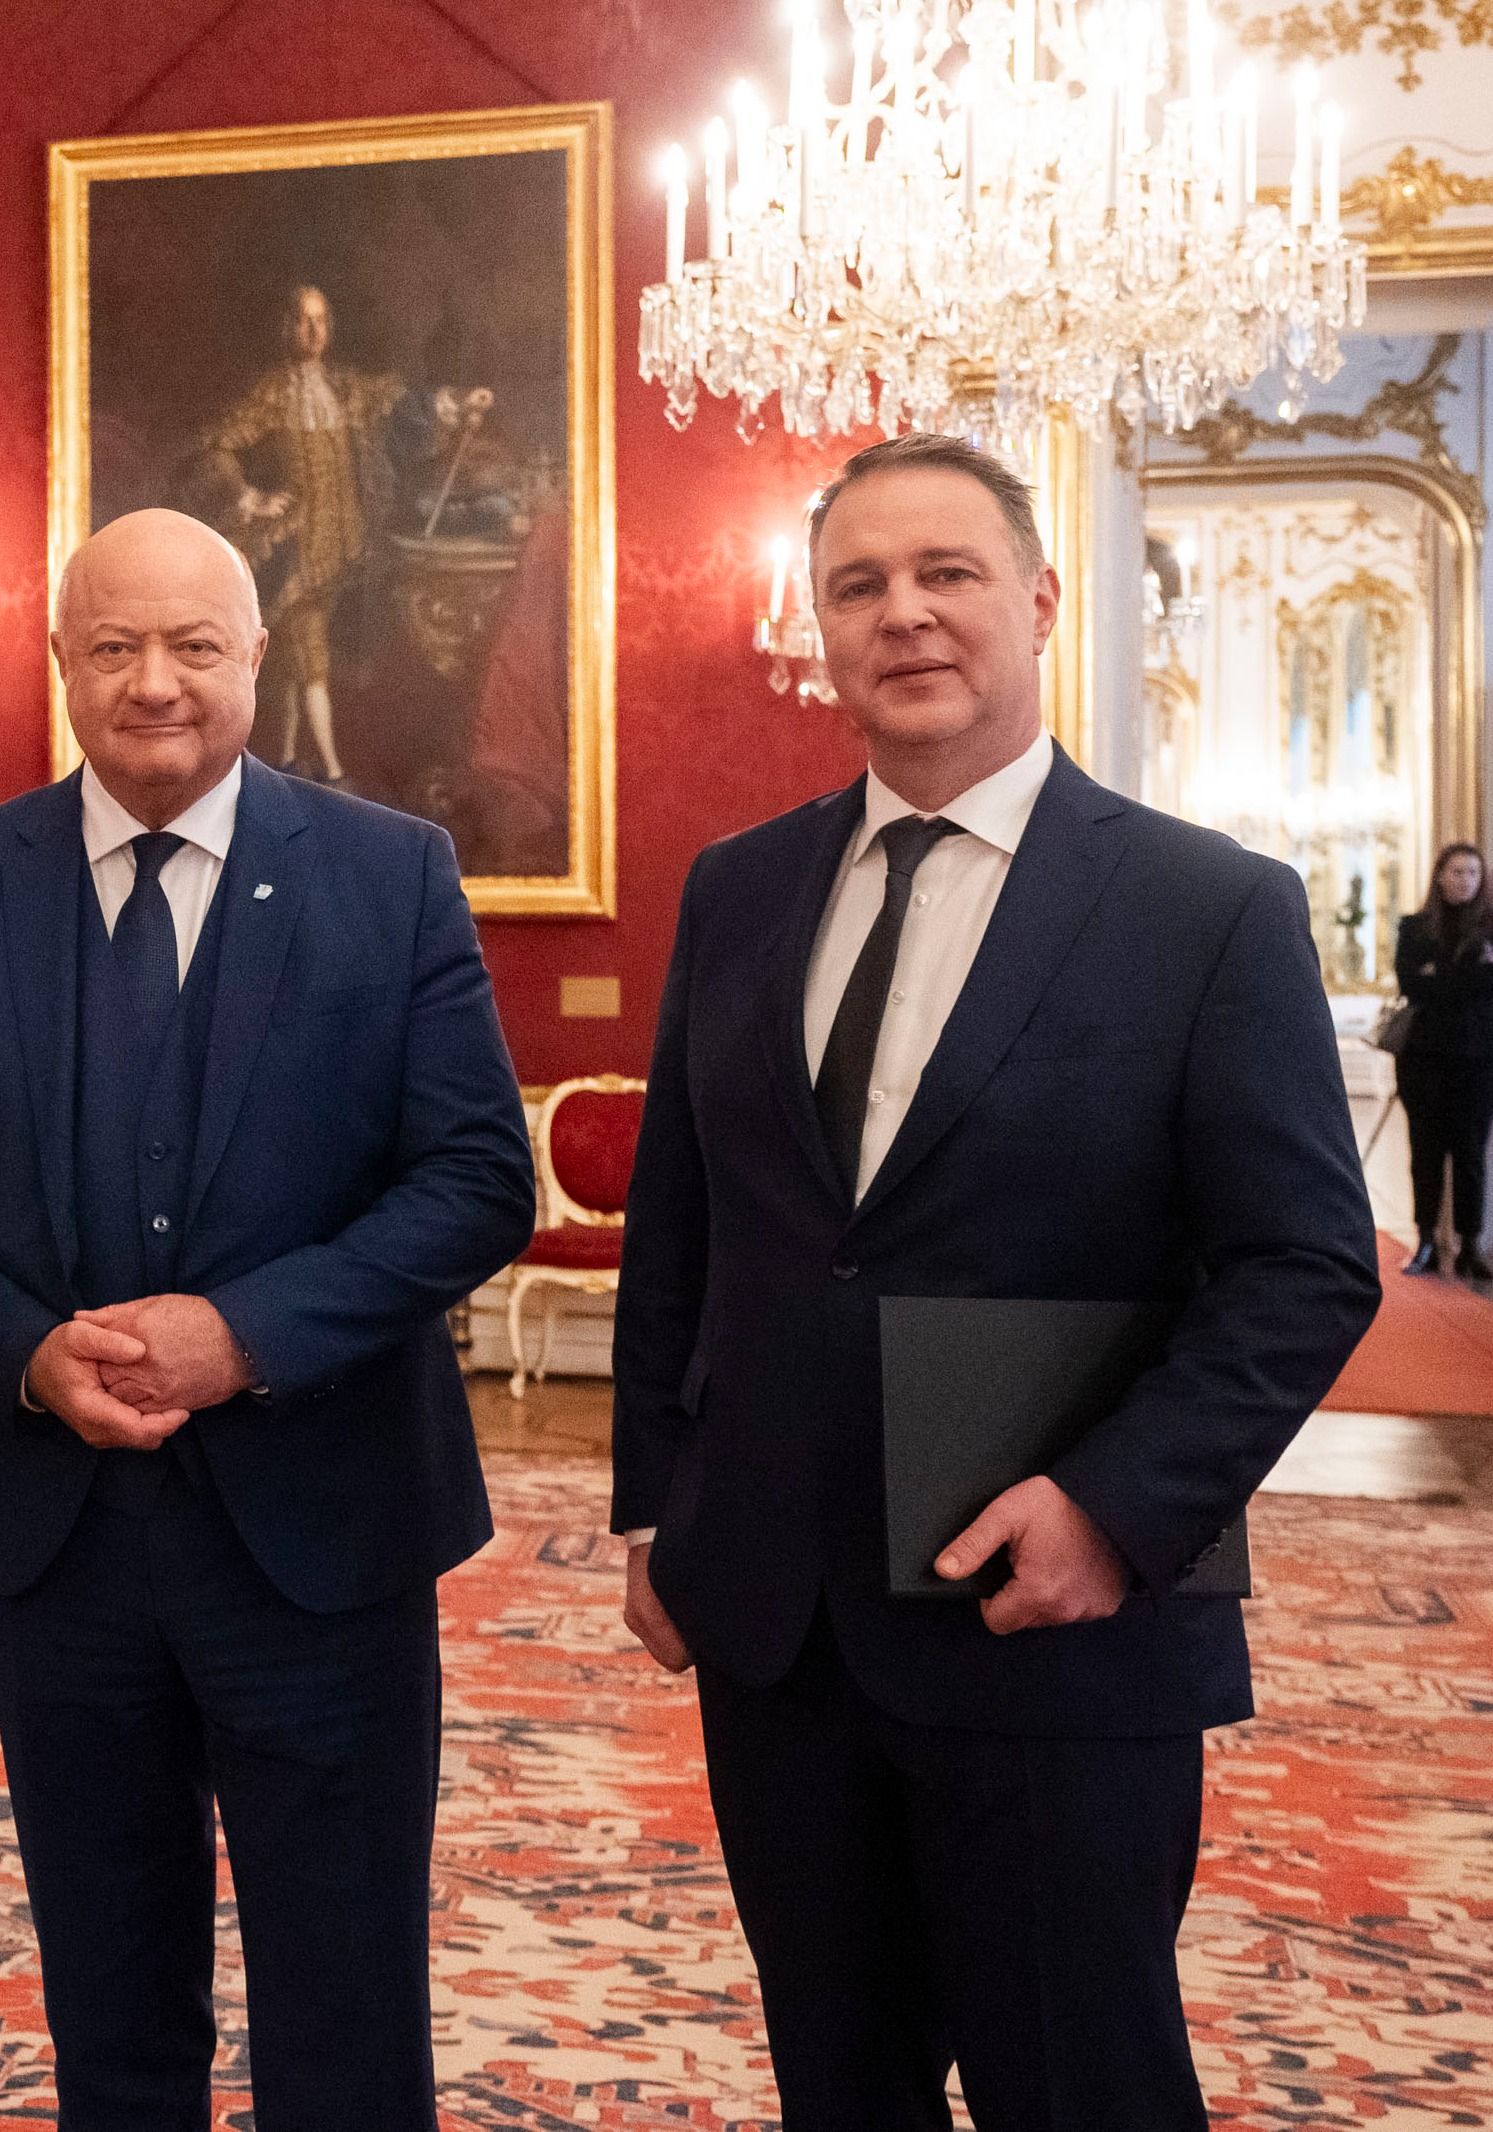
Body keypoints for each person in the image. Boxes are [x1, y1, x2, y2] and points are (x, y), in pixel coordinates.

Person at [612, 434, 1381, 2131]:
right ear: (819, 629)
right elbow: (686, 1224)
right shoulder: (739, 889)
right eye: (858, 586)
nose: (905, 615)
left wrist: (1117, 1508)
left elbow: (1303, 1263)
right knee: (840, 2080)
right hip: (778, 1632)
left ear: (1036, 600)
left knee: (1080, 2081)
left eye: (946, 573)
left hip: (1056, 1627)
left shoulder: (1205, 906)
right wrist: (657, 1510)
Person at [0, 508, 536, 2126]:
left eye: (194, 645)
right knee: (112, 2014)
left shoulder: (390, 873)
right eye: (115, 645)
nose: (155, 682)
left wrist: (245, 1334)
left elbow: (480, 1177)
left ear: (259, 658)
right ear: (61, 658)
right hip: (54, 1542)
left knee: (346, 2020)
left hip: (325, 1532)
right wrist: (20, 1348)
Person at [192, 285, 406, 783]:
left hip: (345, 543)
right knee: (309, 648)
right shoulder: (272, 393)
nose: (314, 332)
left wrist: (452, 400)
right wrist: (250, 495)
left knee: (295, 651)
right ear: (286, 328)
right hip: (298, 549)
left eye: (322, 321)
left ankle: (285, 763)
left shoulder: (345, 387)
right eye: (303, 321)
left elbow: (395, 400)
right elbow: (218, 446)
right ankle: (333, 772)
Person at [1393, 841, 1493, 1277]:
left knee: (1471, 1155)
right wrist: (1472, 973)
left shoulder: (1490, 929)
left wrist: (1442, 976)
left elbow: (1451, 989)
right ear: (1439, 876)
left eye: (1473, 873)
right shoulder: (1415, 928)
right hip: (1424, 1061)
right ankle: (1427, 1242)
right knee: (1426, 1152)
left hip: (1477, 1061)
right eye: (1457, 872)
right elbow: (1413, 987)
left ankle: (1471, 1245)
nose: (1465, 880)